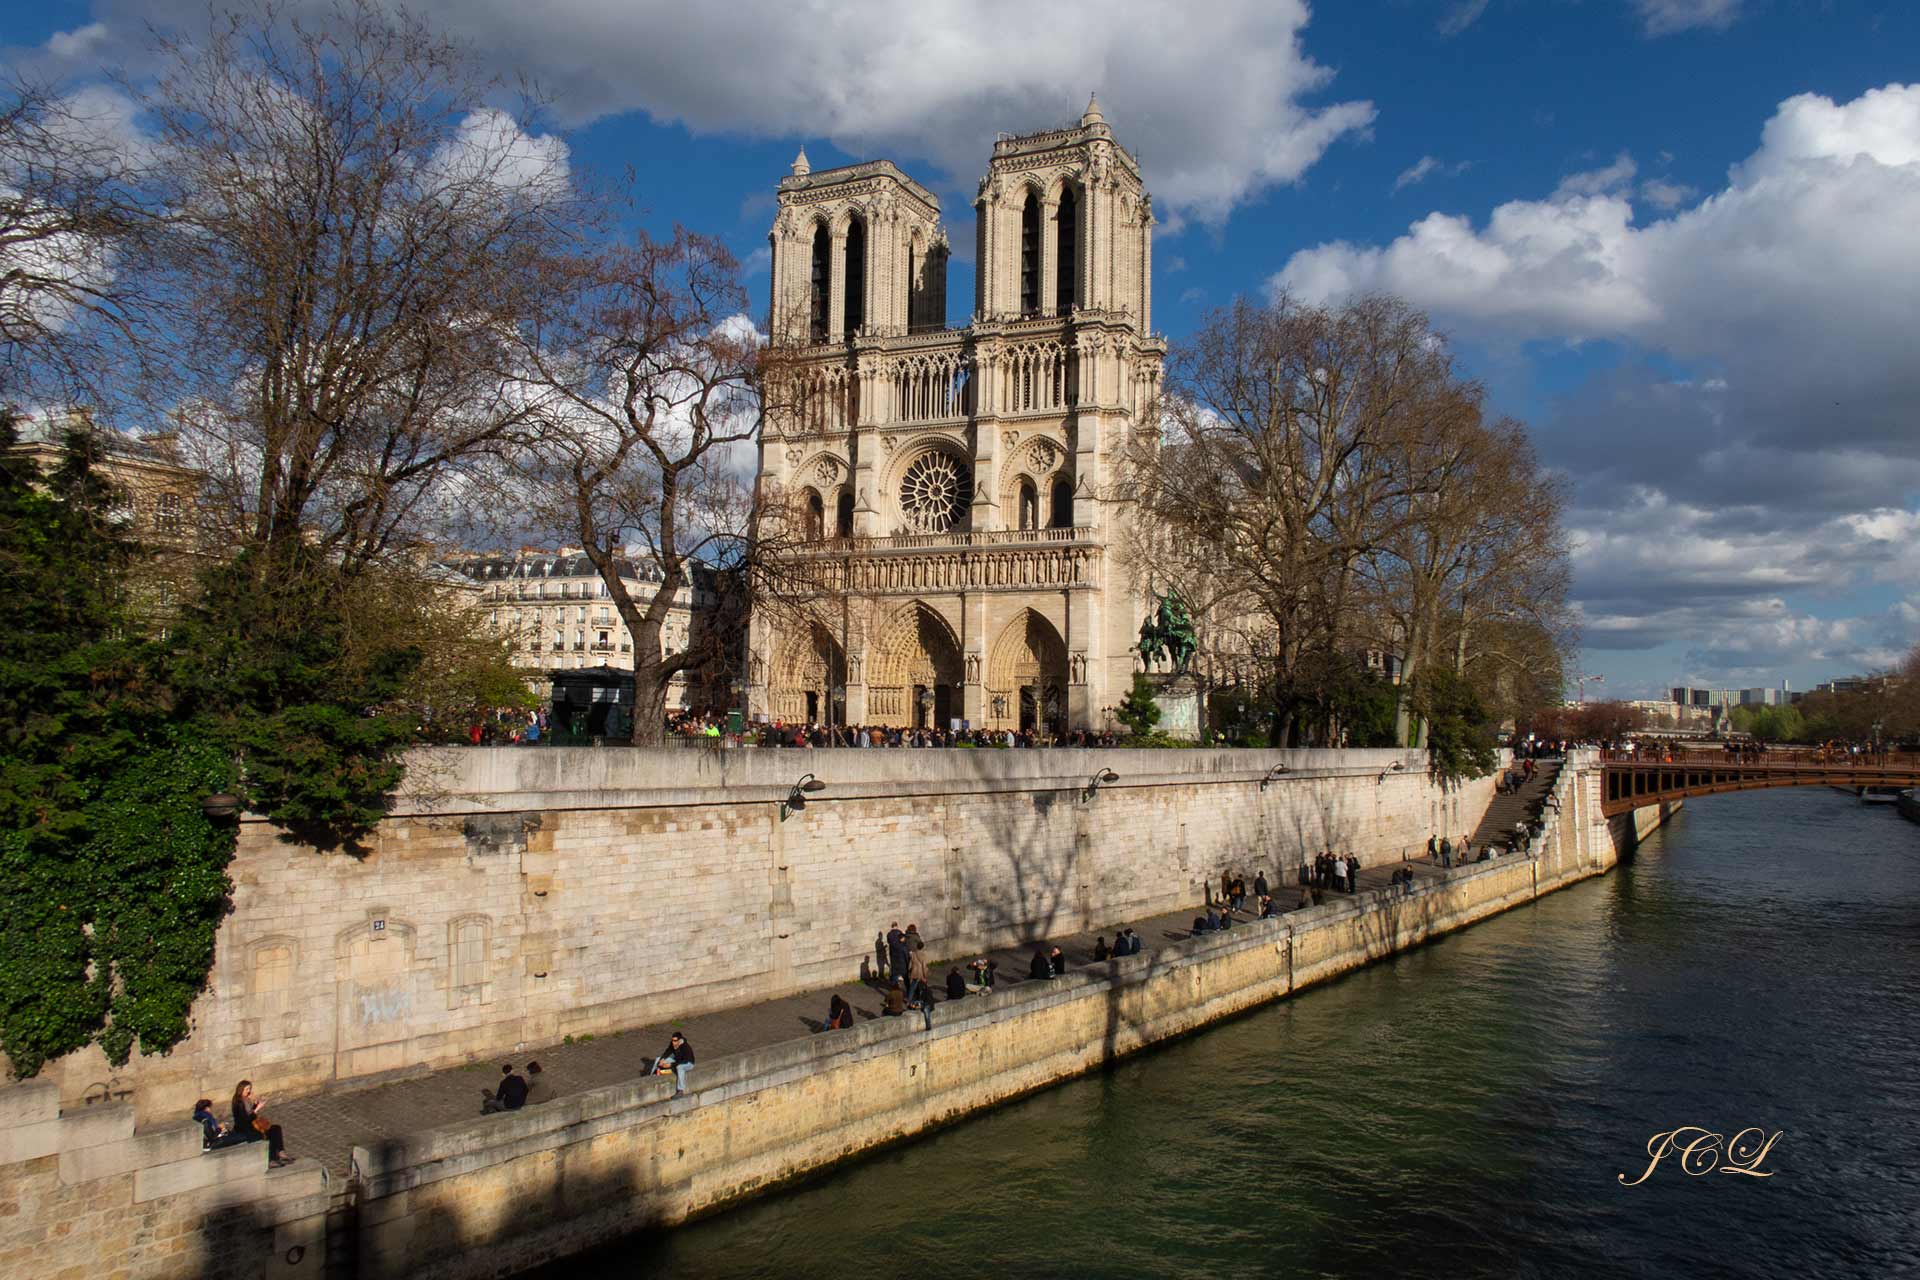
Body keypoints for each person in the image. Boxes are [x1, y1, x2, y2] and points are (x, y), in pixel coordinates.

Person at [231, 1080, 291, 1166]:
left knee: (276, 1129)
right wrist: (257, 1109)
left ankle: (281, 1152)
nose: (249, 1091)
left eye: (250, 1088)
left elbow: (251, 1113)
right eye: (247, 1089)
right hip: (245, 1128)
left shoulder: (246, 1100)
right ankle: (271, 1159)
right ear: (241, 1089)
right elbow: (246, 1119)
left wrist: (256, 1104)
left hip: (253, 1125)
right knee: (266, 1135)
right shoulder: (238, 1102)